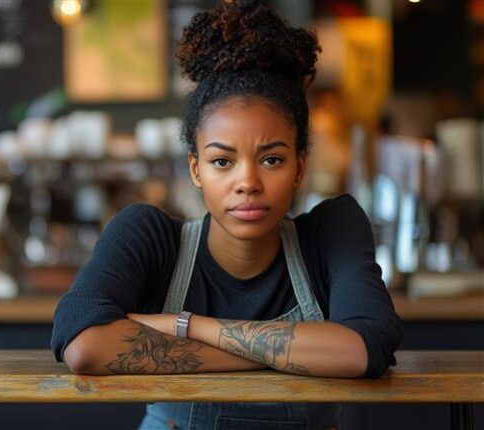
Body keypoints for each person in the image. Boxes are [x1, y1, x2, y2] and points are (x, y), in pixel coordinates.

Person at [50, 0, 404, 428]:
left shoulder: (330, 232)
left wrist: (187, 325)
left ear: (300, 167)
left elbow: (362, 350)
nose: (248, 182)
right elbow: (84, 345)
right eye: (222, 162)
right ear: (195, 169)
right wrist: (288, 355)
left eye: (271, 159)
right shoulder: (149, 235)